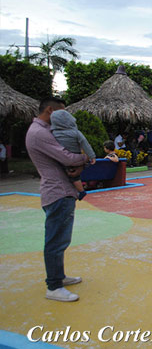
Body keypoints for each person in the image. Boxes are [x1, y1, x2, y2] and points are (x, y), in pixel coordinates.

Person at [25, 97, 89, 302]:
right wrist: (85, 158)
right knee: (56, 239)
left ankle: (58, 277)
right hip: (58, 190)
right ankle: (53, 286)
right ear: (51, 111)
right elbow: (67, 158)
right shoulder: (40, 133)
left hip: (62, 189)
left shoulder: (46, 131)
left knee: (61, 238)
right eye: (63, 113)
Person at [50, 110, 96, 201]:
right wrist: (92, 156)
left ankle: (67, 192)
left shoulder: (53, 133)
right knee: (75, 177)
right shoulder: (75, 132)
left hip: (60, 158)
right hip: (76, 158)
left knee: (63, 175)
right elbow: (85, 144)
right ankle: (81, 191)